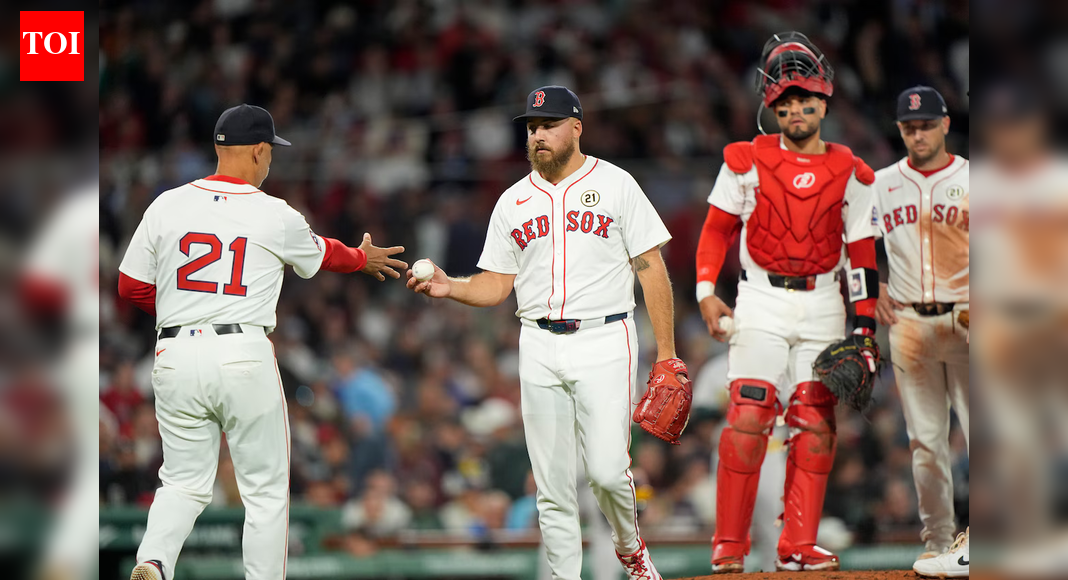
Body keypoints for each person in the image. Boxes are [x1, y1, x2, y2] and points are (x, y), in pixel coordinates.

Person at [117, 104, 406, 580]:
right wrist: (360, 257)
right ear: (257, 150)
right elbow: (324, 253)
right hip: (241, 351)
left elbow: (129, 287)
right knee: (266, 493)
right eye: (270, 151)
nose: (271, 160)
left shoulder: (166, 203)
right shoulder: (275, 213)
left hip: (174, 351)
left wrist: (182, 310)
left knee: (183, 482)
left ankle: (153, 561)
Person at [406, 86, 680, 580]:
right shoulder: (513, 201)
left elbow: (650, 268)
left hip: (605, 336)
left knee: (605, 473)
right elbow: (495, 286)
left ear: (576, 128)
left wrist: (668, 354)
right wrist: (452, 287)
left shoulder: (617, 185)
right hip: (536, 341)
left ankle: (630, 549)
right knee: (552, 489)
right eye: (532, 127)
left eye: (549, 124)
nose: (538, 134)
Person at [694, 32, 879, 573]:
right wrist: (707, 292)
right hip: (759, 298)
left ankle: (797, 545)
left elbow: (862, 256)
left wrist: (864, 328)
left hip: (825, 301)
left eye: (806, 100)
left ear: (824, 101)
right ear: (771, 107)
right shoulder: (744, 160)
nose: (797, 110)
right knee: (749, 414)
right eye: (786, 102)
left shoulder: (853, 171)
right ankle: (729, 545)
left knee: (815, 423)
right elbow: (715, 231)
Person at [871, 86, 969, 576]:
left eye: (927, 124)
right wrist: (871, 286)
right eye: (910, 126)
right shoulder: (881, 183)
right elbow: (855, 239)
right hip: (908, 320)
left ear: (945, 124)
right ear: (899, 130)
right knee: (925, 441)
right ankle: (938, 540)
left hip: (970, 316)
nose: (918, 133)